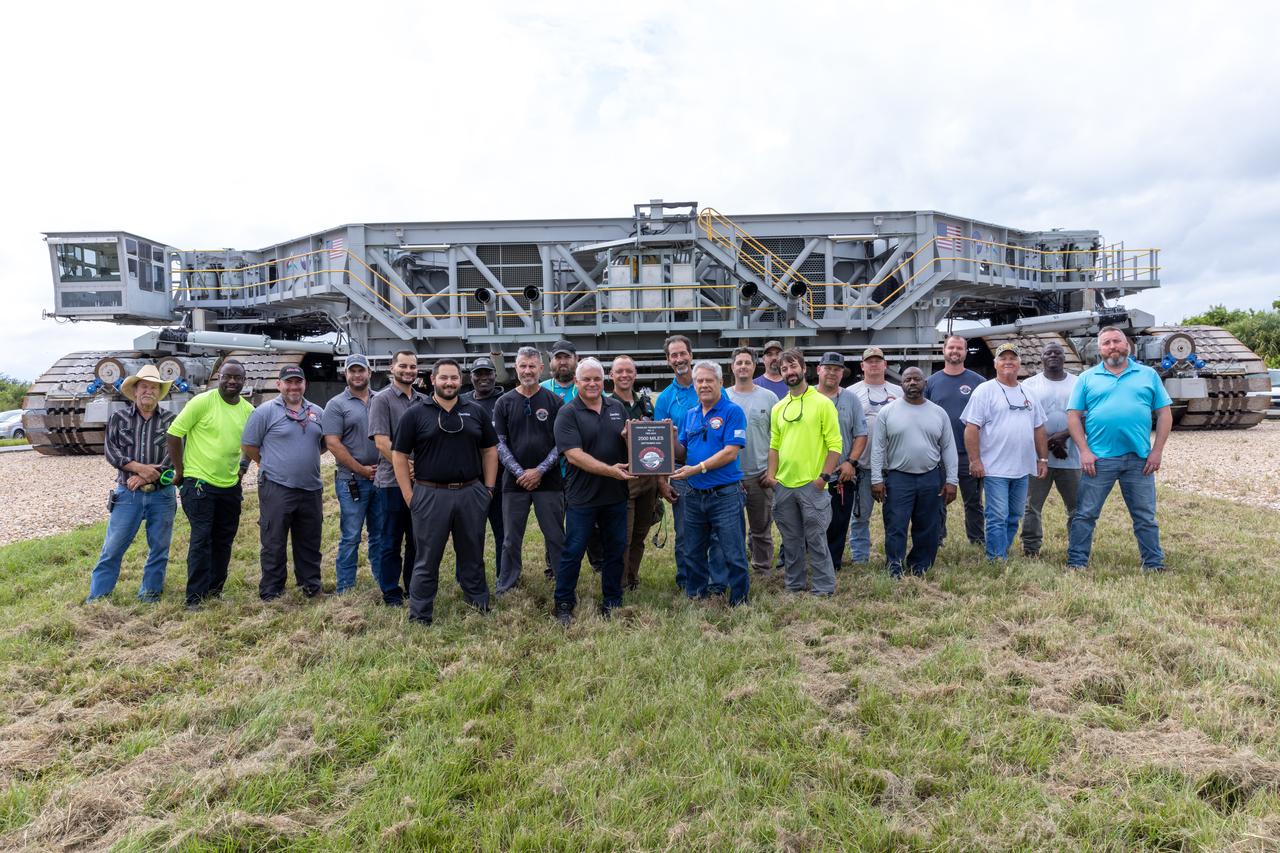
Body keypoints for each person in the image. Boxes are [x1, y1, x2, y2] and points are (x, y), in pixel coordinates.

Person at [392, 358, 498, 625]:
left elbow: (489, 450)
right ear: (432, 381)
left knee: (473, 553)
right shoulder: (415, 413)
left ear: (460, 381)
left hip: (471, 493)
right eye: (444, 378)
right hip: (430, 494)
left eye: (454, 378)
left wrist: (488, 488)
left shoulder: (475, 412)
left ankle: (478, 604)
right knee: (426, 558)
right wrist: (408, 494)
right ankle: (420, 614)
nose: (449, 383)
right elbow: (399, 454)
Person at [1066, 327, 1173, 571]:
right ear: (1100, 349)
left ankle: (1154, 564)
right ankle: (1076, 562)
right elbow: (1073, 416)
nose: (1112, 346)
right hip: (1099, 460)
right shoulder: (1087, 378)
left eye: (1117, 341)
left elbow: (1164, 414)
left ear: (1127, 345)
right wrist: (1084, 450)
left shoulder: (1148, 375)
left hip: (1140, 459)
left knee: (1145, 517)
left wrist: (1157, 451)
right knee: (1085, 515)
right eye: (1106, 343)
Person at [166, 359, 254, 608]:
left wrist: (244, 466)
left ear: (244, 382)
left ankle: (215, 591)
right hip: (199, 483)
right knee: (202, 539)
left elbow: (251, 442)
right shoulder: (202, 402)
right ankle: (194, 597)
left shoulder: (248, 410)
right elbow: (174, 434)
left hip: (229, 486)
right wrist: (180, 471)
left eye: (237, 377)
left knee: (224, 539)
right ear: (219, 377)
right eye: (228, 376)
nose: (232, 381)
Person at [552, 358, 634, 624]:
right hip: (582, 497)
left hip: (615, 495)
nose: (592, 384)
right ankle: (563, 602)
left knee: (615, 549)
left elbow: (628, 443)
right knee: (573, 550)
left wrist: (637, 438)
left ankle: (612, 600)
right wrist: (610, 470)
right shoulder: (568, 413)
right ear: (576, 382)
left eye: (596, 379)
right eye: (586, 379)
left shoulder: (617, 407)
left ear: (603, 381)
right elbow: (574, 455)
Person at [86, 364, 177, 602]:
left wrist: (145, 476)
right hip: (127, 494)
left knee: (159, 549)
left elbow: (175, 456)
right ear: (135, 391)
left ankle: (150, 595)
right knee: (113, 548)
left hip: (162, 495)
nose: (148, 391)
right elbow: (111, 452)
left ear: (159, 392)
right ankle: (98, 598)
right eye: (144, 386)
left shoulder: (172, 420)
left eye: (154, 387)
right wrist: (139, 468)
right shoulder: (118, 418)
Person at [242, 365, 327, 600]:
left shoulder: (317, 412)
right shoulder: (265, 412)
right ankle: (272, 590)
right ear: (279, 385)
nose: (293, 387)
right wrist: (268, 463)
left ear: (304, 384)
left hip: (311, 487)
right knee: (274, 541)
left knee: (310, 541)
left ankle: (310, 586)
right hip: (276, 487)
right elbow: (249, 446)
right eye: (288, 382)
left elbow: (323, 444)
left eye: (297, 382)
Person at [762, 349, 842, 596]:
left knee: (816, 540)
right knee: (791, 541)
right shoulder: (779, 408)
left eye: (792, 366)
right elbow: (774, 445)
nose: (789, 372)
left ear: (804, 368)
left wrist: (823, 478)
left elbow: (835, 445)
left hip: (812, 485)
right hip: (784, 486)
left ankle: (824, 588)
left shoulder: (822, 403)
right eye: (784, 369)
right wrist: (772, 477)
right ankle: (794, 586)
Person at [670, 361, 749, 603]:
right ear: (694, 385)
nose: (704, 385)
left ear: (720, 383)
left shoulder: (732, 412)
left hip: (724, 494)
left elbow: (730, 452)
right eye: (699, 381)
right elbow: (681, 453)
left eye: (708, 380)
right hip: (694, 494)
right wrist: (670, 437)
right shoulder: (691, 415)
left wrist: (699, 468)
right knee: (693, 551)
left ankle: (739, 599)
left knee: (732, 551)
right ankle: (697, 594)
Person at [961, 344, 1049, 561]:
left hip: (1022, 468)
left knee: (1014, 516)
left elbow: (1039, 428)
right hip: (995, 468)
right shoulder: (985, 391)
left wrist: (1043, 458)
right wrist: (975, 460)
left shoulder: (1029, 392)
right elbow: (971, 428)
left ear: (1019, 363)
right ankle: (996, 558)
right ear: (995, 363)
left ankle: (1003, 550)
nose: (1008, 361)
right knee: (997, 515)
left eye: (1012, 358)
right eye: (1003, 358)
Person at [870, 367, 959, 577]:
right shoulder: (888, 412)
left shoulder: (938, 413)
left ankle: (920, 565)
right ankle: (895, 566)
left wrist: (952, 481)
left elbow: (948, 448)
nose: (912, 383)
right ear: (901, 384)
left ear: (925, 384)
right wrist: (876, 479)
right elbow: (878, 448)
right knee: (896, 524)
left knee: (928, 525)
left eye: (916, 379)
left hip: (930, 477)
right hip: (898, 477)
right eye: (907, 379)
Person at [493, 346, 565, 594]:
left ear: (541, 368)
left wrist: (540, 471)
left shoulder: (555, 401)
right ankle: (507, 583)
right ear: (516, 367)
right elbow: (499, 443)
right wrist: (520, 473)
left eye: (532, 366)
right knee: (511, 538)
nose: (527, 371)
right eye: (523, 366)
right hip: (514, 483)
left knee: (555, 536)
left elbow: (561, 444)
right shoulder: (504, 402)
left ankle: (561, 580)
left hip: (550, 482)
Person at [322, 354, 385, 595]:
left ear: (370, 372)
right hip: (352, 481)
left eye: (361, 370)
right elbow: (333, 443)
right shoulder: (336, 405)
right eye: (352, 371)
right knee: (351, 535)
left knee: (380, 534)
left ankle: (383, 581)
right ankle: (345, 587)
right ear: (345, 374)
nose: (357, 375)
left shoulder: (381, 399)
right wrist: (361, 470)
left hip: (382, 479)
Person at [368, 350, 426, 606]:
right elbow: (381, 442)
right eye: (403, 366)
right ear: (392, 368)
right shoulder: (382, 400)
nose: (408, 371)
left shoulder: (424, 401)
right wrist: (407, 466)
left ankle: (413, 587)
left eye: (413, 367)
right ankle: (391, 591)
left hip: (422, 483)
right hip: (391, 483)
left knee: (417, 540)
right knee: (391, 539)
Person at [925, 334, 986, 545]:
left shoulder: (978, 383)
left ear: (965, 352)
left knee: (974, 501)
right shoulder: (931, 383)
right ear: (944, 350)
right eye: (951, 347)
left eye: (960, 348)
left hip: (969, 454)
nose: (955, 352)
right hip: (939, 454)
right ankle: (938, 538)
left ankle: (977, 539)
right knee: (939, 499)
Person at [1020, 341, 1080, 557]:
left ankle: (1077, 547)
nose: (1053, 355)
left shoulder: (1078, 383)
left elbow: (1086, 415)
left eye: (1057, 352)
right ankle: (1031, 548)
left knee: (1076, 508)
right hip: (1038, 458)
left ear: (1064, 357)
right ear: (1041, 358)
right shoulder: (1029, 385)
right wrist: (1047, 444)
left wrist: (1062, 437)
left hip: (1072, 456)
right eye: (1048, 353)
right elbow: (1024, 418)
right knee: (1032, 506)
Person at [725, 347, 780, 575]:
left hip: (759, 475)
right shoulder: (724, 396)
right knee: (731, 530)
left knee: (761, 529)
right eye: (739, 363)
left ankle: (762, 569)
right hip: (730, 477)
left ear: (754, 366)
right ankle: (735, 569)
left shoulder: (769, 398)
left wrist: (771, 471)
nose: (743, 366)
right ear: (732, 367)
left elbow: (777, 439)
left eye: (747, 362)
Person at [848, 347, 903, 565]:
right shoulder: (851, 393)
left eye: (877, 361)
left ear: (885, 365)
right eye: (869, 361)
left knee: (895, 517)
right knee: (860, 516)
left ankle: (894, 557)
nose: (873, 364)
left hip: (894, 465)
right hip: (864, 465)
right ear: (862, 366)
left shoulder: (898, 391)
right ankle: (860, 558)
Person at [653, 334, 699, 592]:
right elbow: (660, 443)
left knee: (714, 531)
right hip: (681, 475)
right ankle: (686, 579)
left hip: (712, 470)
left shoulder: (709, 384)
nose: (679, 359)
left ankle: (715, 577)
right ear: (668, 360)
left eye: (683, 353)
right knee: (684, 532)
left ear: (691, 355)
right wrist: (661, 480)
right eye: (674, 355)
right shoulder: (665, 398)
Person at [608, 354, 659, 590]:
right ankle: (618, 582)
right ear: (611, 375)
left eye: (629, 371)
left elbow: (658, 445)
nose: (625, 375)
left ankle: (632, 577)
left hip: (648, 478)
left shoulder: (646, 404)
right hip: (624, 479)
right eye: (619, 371)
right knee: (623, 537)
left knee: (640, 533)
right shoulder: (606, 405)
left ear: (635, 374)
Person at [815, 352, 868, 571]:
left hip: (841, 474)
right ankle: (807, 561)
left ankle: (833, 563)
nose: (832, 373)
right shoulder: (807, 397)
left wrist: (851, 462)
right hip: (813, 474)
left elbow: (861, 434)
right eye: (827, 368)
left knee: (838, 521)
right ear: (818, 370)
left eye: (836, 369)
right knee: (809, 522)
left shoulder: (851, 399)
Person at [462, 355, 506, 583]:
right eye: (478, 374)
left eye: (487, 373)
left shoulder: (506, 400)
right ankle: (470, 578)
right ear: (471, 377)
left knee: (503, 533)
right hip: (469, 480)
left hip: (500, 480)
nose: (483, 378)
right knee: (470, 534)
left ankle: (503, 578)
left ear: (495, 375)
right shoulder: (461, 401)